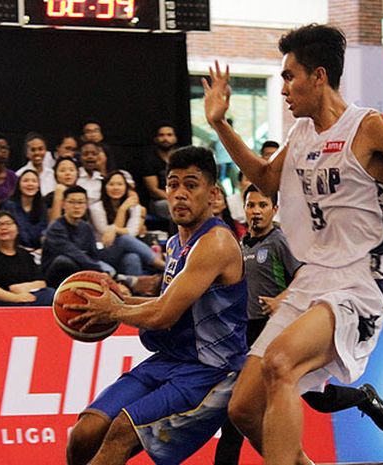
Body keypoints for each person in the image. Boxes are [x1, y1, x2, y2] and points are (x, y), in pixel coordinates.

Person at [203, 24, 383, 465]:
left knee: (281, 364)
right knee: (242, 408)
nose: (282, 89)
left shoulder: (371, 127)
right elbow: (263, 178)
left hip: (359, 281)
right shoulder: (299, 137)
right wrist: (219, 123)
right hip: (313, 278)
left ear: (318, 76)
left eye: (288, 76)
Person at [64, 146, 247, 465]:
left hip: (210, 373)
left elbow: (164, 314)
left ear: (213, 194)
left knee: (121, 431)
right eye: (173, 184)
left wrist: (114, 310)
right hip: (168, 360)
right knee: (84, 432)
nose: (179, 194)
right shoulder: (176, 242)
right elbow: (166, 300)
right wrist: (117, 298)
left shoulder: (215, 243)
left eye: (191, 185)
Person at [214, 185, 383, 465]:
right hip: (247, 334)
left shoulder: (280, 240)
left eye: (262, 205)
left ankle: (363, 397)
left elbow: (304, 276)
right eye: (251, 205)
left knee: (319, 400)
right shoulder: (241, 244)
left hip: (282, 330)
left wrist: (280, 301)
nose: (256, 211)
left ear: (274, 210)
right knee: (236, 414)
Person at [89, 171, 165, 275]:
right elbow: (108, 237)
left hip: (125, 252)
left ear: (126, 187)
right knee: (124, 238)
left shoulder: (134, 207)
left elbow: (133, 232)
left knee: (132, 258)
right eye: (111, 184)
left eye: (120, 184)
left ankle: (137, 289)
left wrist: (114, 228)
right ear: (105, 187)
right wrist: (122, 209)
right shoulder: (96, 208)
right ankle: (162, 264)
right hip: (102, 252)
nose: (116, 188)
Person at [41, 185, 116, 288]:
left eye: (80, 202)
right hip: (57, 274)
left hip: (82, 269)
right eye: (72, 202)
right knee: (65, 260)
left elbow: (94, 255)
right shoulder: (55, 228)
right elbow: (71, 252)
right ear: (63, 204)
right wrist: (99, 270)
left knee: (125, 249)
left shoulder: (87, 227)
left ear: (86, 205)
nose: (76, 207)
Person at [0, 211, 55, 306]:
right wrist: (15, 298)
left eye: (8, 223)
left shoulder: (25, 254)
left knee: (50, 293)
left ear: (17, 229)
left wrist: (24, 287)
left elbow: (41, 282)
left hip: (29, 295)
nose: (4, 228)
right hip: (4, 300)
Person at [2, 169, 48, 251]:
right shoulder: (9, 206)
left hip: (37, 252)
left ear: (38, 187)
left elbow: (44, 232)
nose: (30, 184)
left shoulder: (42, 208)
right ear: (19, 185)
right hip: (14, 250)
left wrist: (43, 248)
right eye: (26, 181)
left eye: (34, 181)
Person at [141, 122, 177, 221]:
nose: (165, 138)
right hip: (160, 201)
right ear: (156, 139)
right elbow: (153, 190)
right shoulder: (150, 160)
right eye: (161, 135)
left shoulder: (181, 159)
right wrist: (175, 199)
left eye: (169, 135)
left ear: (175, 138)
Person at [45, 157, 79, 223]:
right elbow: (52, 226)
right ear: (55, 175)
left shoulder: (81, 195)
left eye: (71, 170)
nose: (67, 173)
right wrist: (58, 197)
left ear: (77, 174)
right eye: (62, 170)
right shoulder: (49, 198)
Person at [77, 141, 104, 205]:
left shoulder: (102, 179)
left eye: (94, 154)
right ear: (80, 157)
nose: (90, 157)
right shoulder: (75, 176)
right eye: (85, 154)